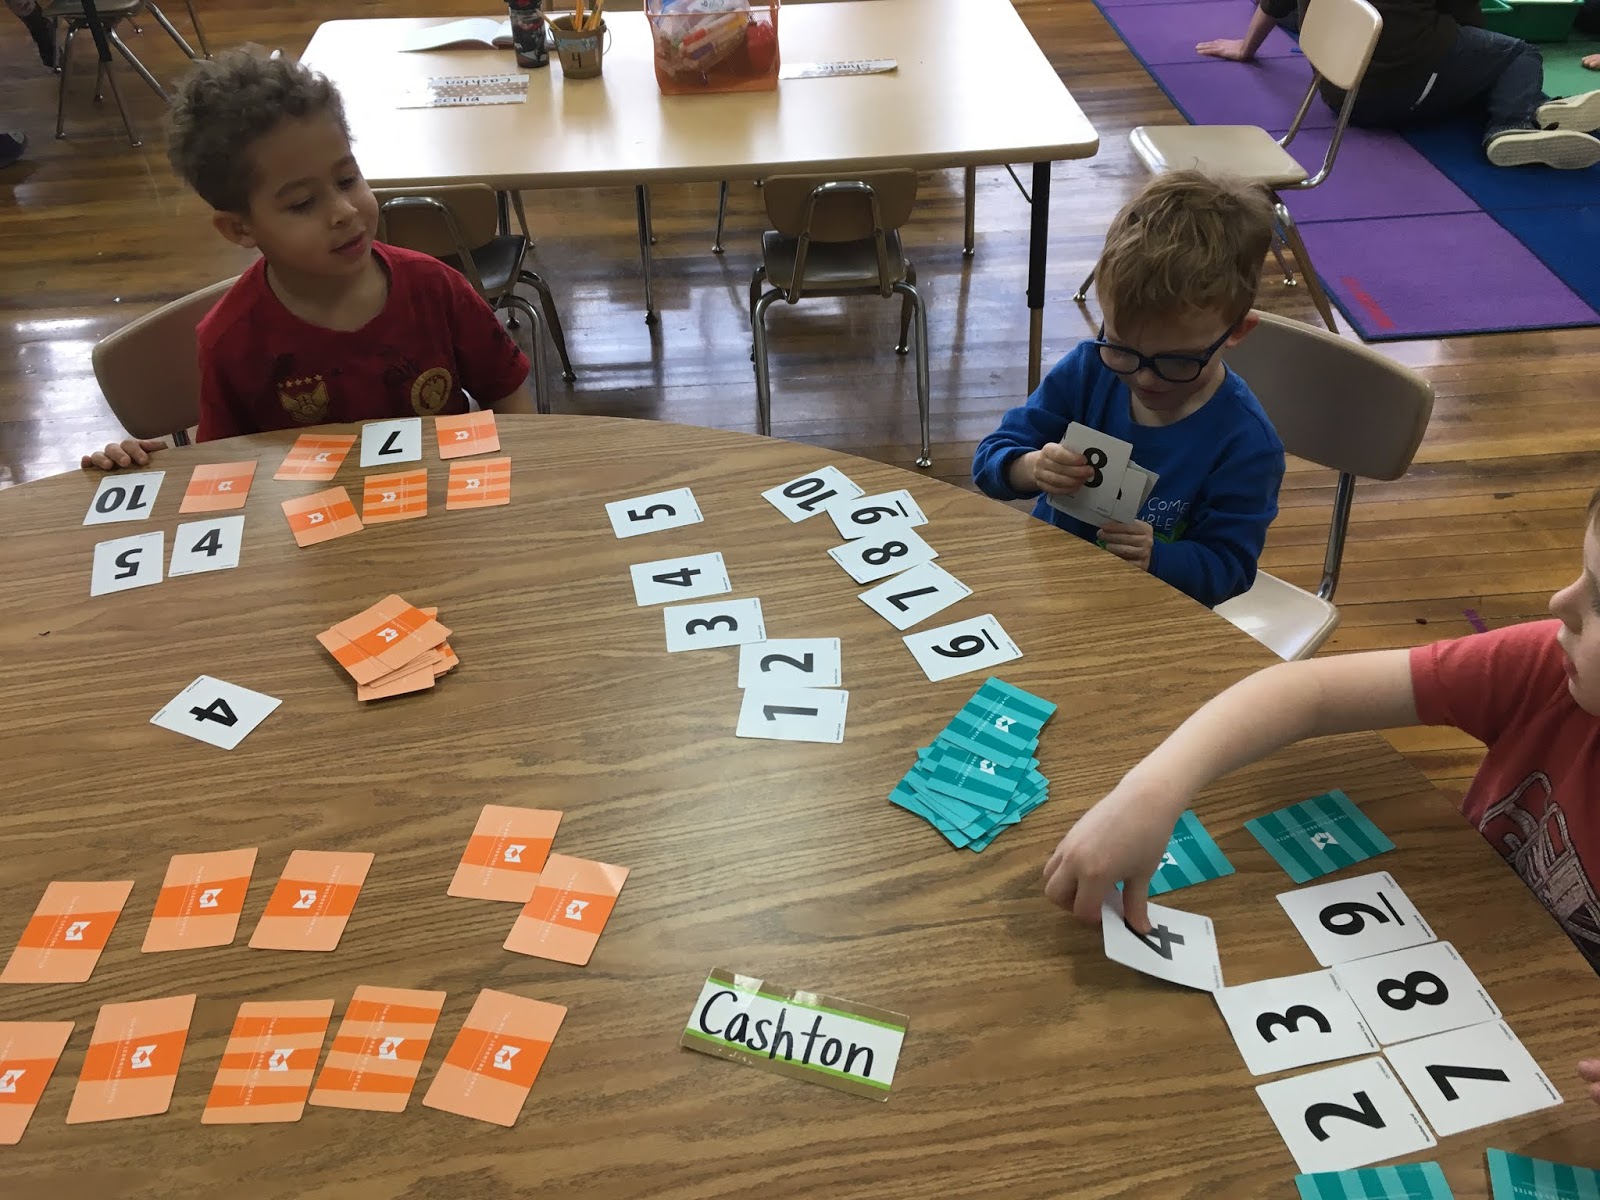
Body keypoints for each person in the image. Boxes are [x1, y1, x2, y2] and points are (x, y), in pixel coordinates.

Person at [1043, 487, 1600, 983]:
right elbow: (1305, 693)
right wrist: (1151, 791)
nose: (1559, 603)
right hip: (1467, 933)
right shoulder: (1545, 666)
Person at [83, 49, 535, 470]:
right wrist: (139, 465)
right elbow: (227, 469)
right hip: (314, 522)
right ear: (240, 229)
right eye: (302, 203)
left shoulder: (436, 285)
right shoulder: (231, 340)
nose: (344, 212)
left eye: (347, 179)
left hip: (446, 504)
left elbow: (509, 397)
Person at [970, 171, 1285, 610]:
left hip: (1151, 613)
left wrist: (1158, 558)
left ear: (1237, 331)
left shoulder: (1246, 443)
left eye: (1178, 361)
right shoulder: (1088, 369)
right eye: (1122, 349)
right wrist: (1030, 467)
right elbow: (991, 457)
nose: (1145, 379)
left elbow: (1229, 568)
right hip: (1051, 585)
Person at [1197, 0, 1600, 169]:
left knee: (1475, 65)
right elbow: (1470, 20)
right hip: (1398, 92)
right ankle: (1512, 123)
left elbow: (1274, 2)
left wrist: (1246, 48)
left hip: (1337, 90)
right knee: (1518, 54)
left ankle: (1539, 110)